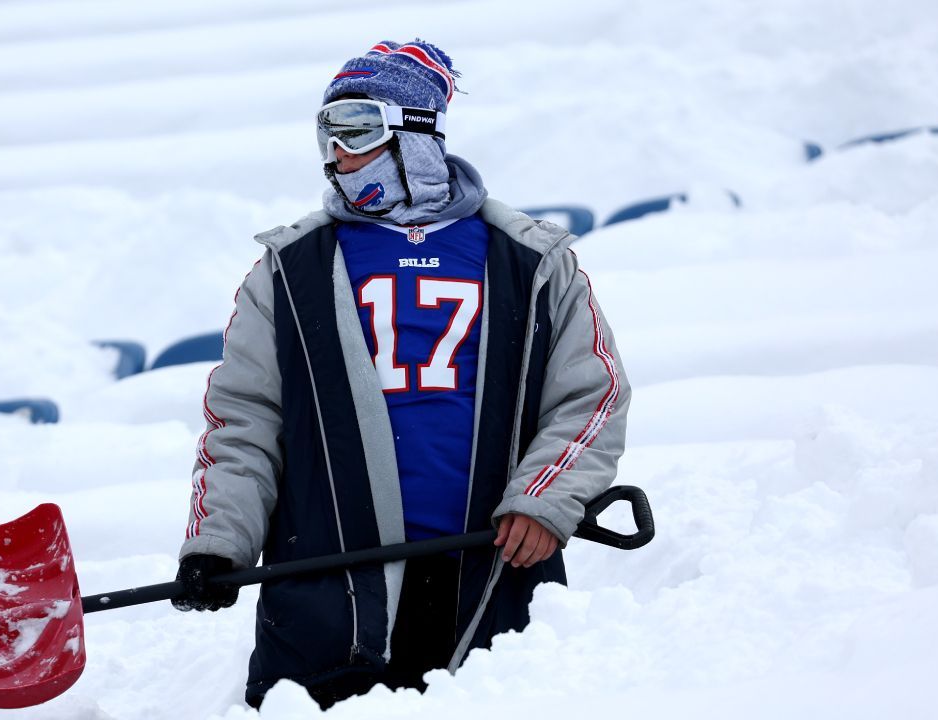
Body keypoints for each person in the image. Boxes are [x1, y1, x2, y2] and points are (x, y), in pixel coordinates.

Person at [171, 39, 630, 709]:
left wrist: (544, 498)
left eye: (356, 126)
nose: (337, 152)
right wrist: (219, 543)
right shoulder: (288, 270)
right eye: (327, 131)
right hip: (329, 590)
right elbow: (242, 423)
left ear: (416, 132)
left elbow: (593, 394)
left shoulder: (531, 259)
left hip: (492, 571)